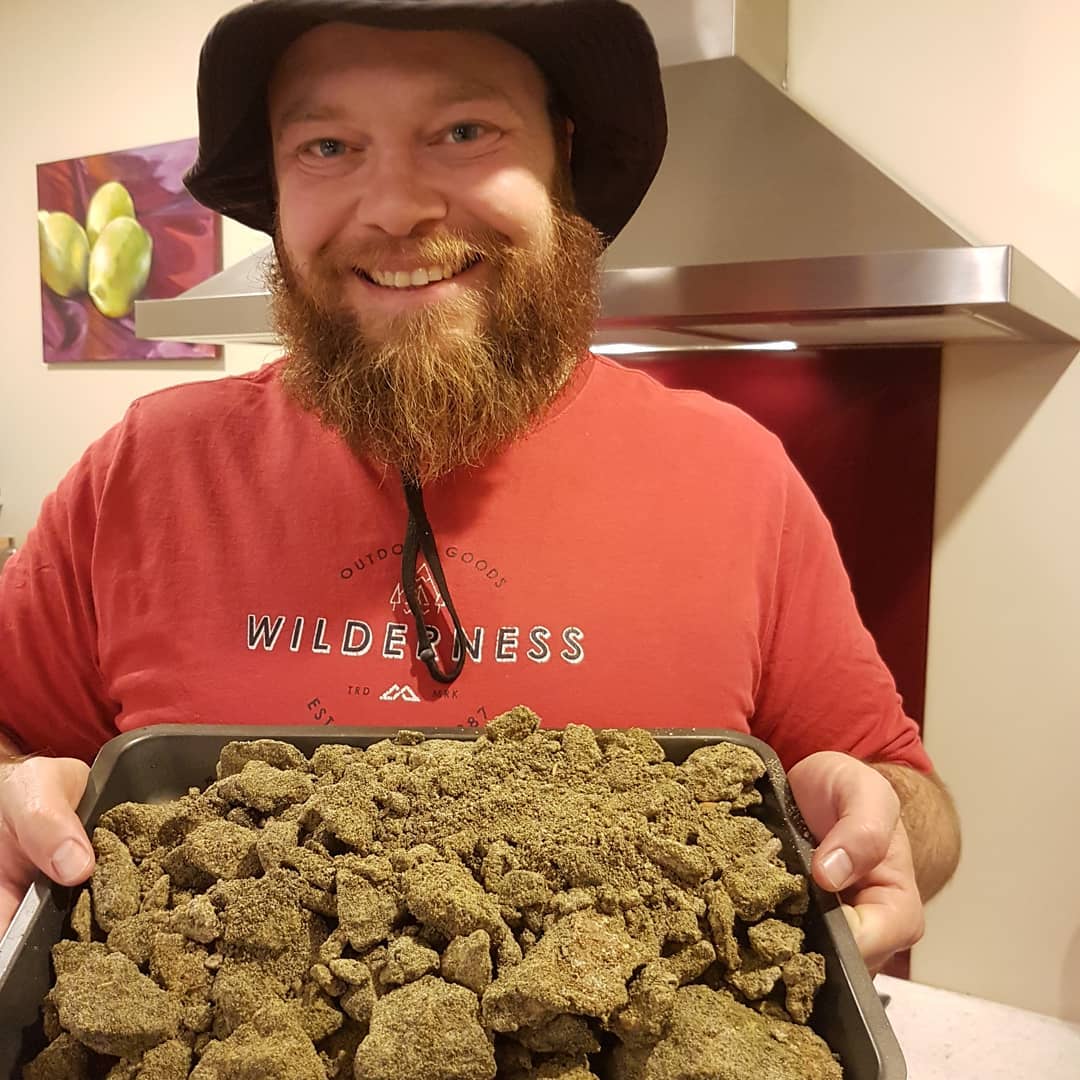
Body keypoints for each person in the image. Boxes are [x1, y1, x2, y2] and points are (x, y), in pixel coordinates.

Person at [0, 0, 959, 974]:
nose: (396, 208)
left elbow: (909, 801)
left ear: (562, 157)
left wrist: (878, 827)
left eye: (465, 130)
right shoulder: (145, 469)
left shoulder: (740, 478)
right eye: (328, 145)